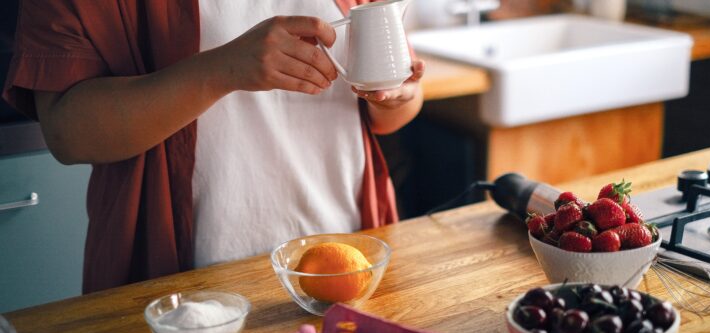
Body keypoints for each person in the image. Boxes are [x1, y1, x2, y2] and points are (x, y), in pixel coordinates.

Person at [2, 0, 424, 293]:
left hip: (349, 260)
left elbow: (392, 108)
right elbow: (68, 132)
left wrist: (399, 95)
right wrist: (221, 70)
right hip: (191, 287)